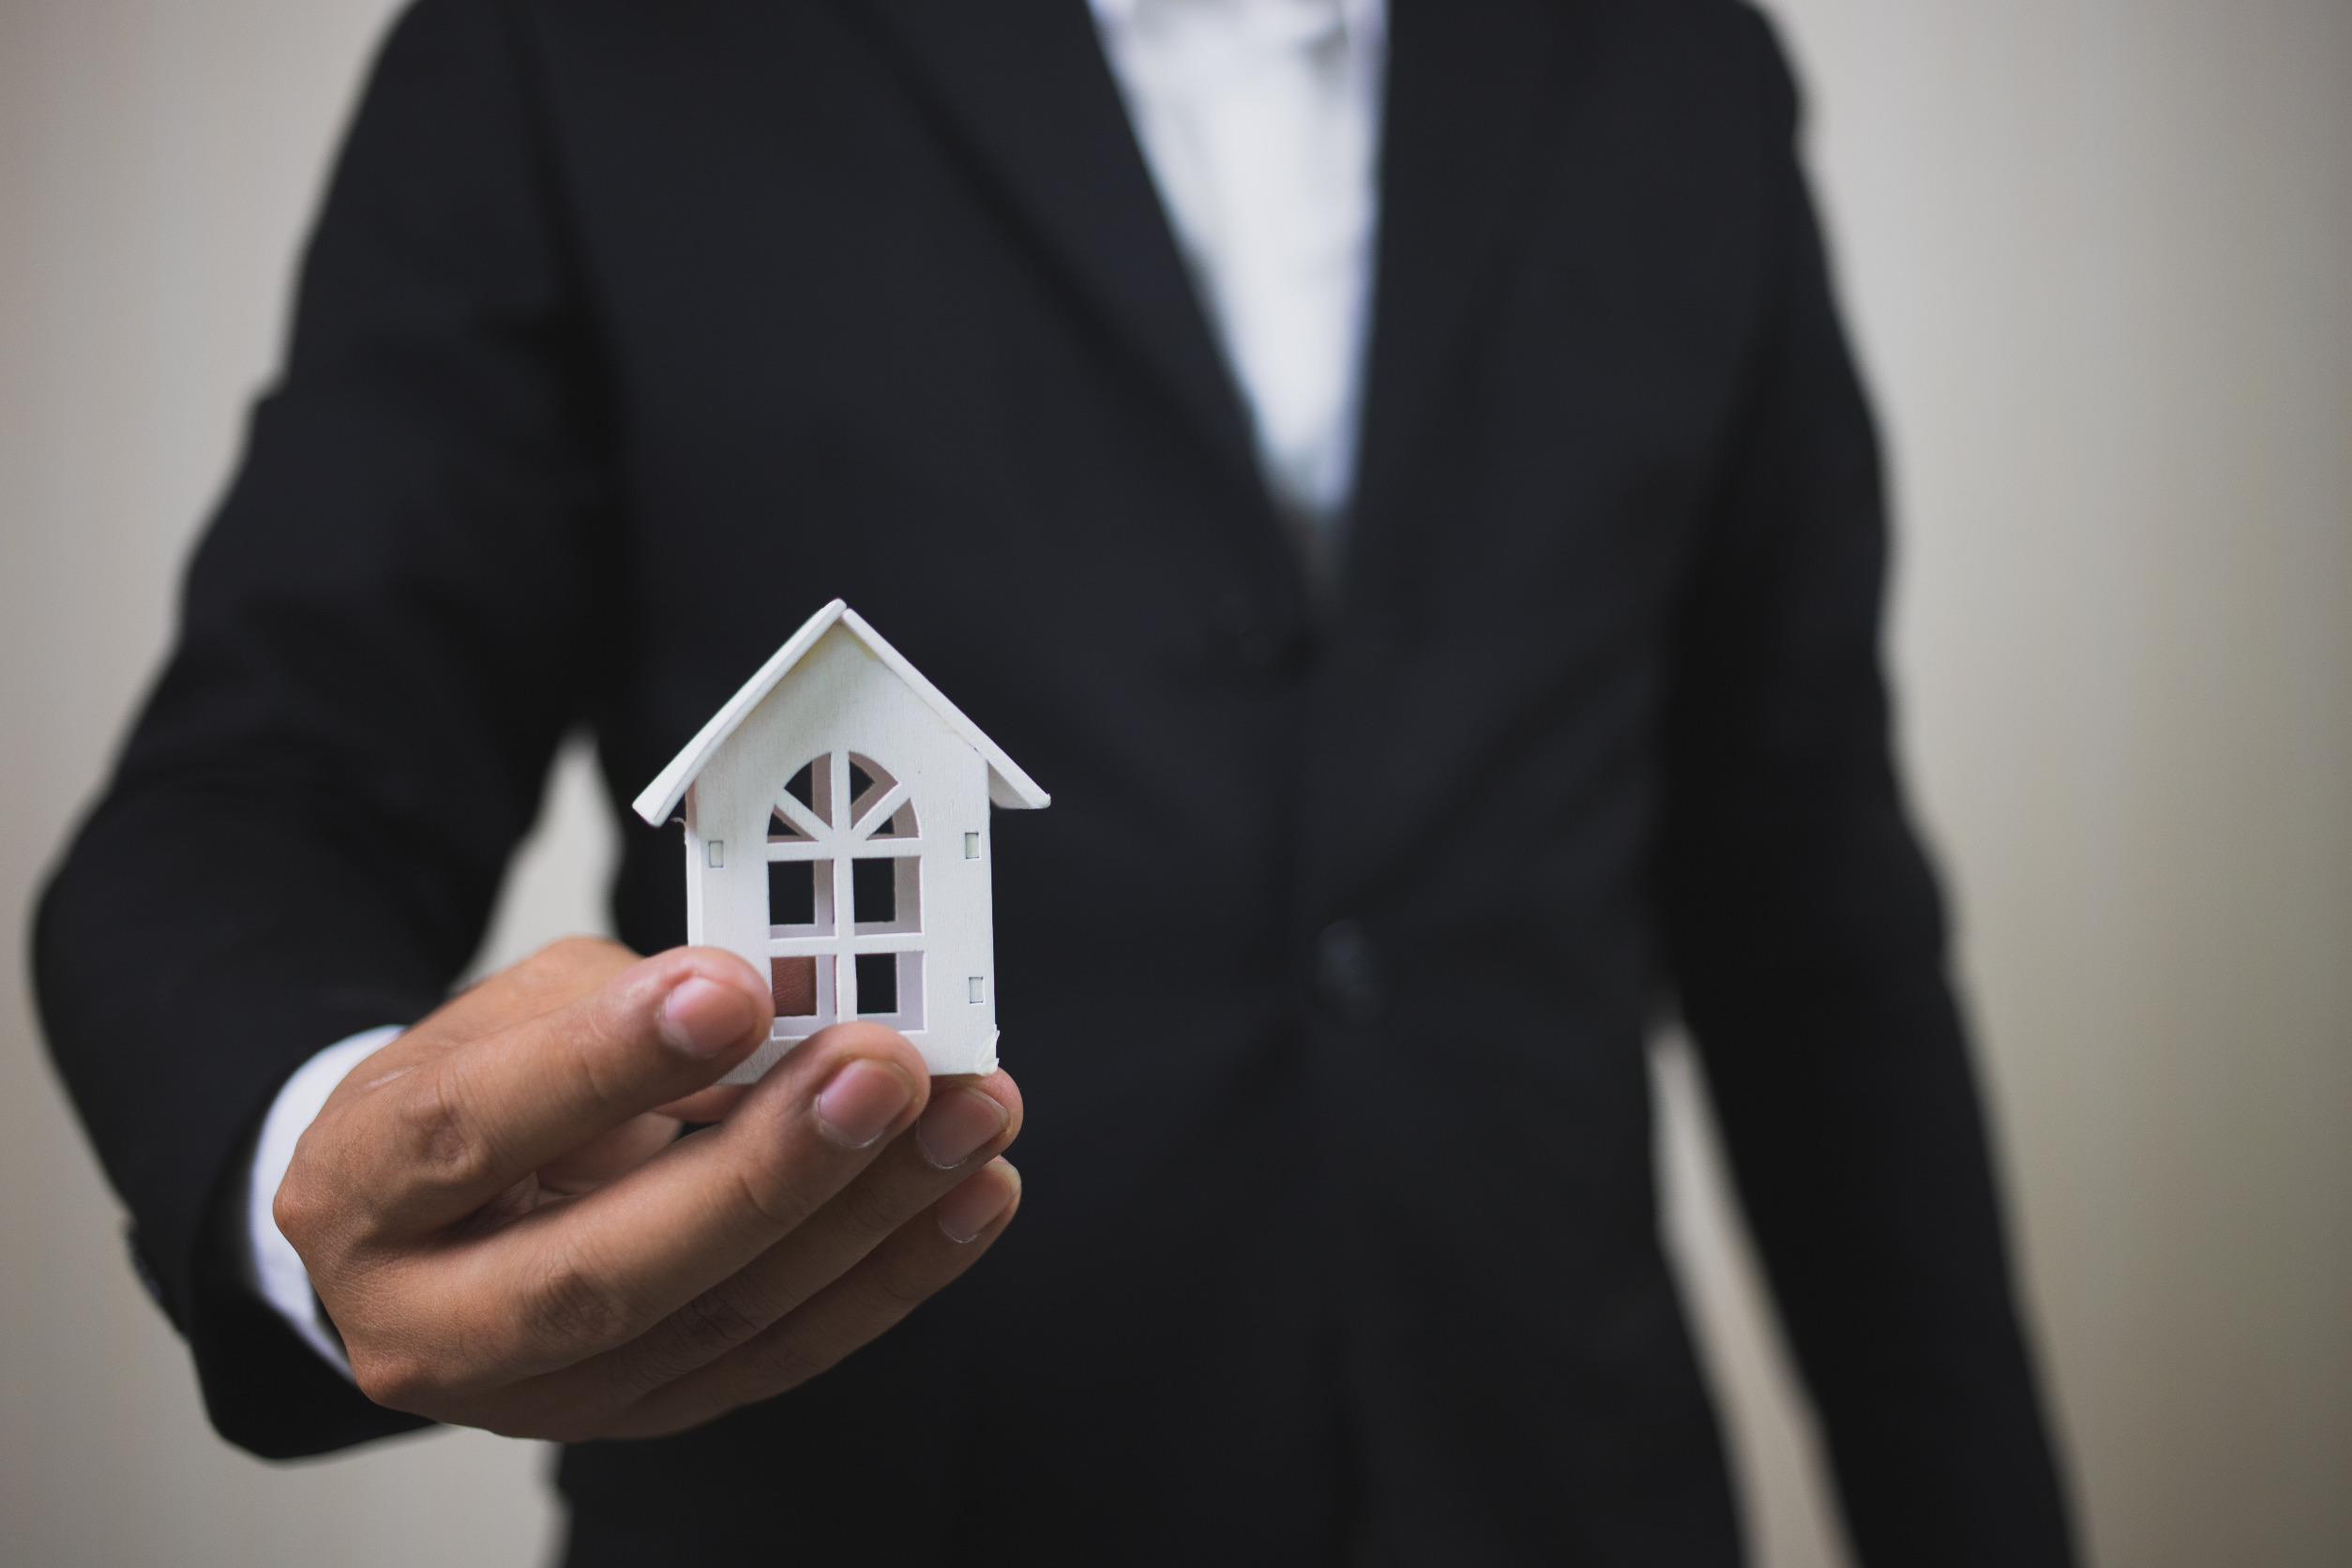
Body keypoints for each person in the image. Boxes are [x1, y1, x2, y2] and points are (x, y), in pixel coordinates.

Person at [34, 0, 2078, 1561]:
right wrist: (331, 1181)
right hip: (866, 1495)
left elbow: (1812, 905)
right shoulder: (579, 44)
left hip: (1562, 1477)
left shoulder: (1679, 61)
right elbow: (263, 784)